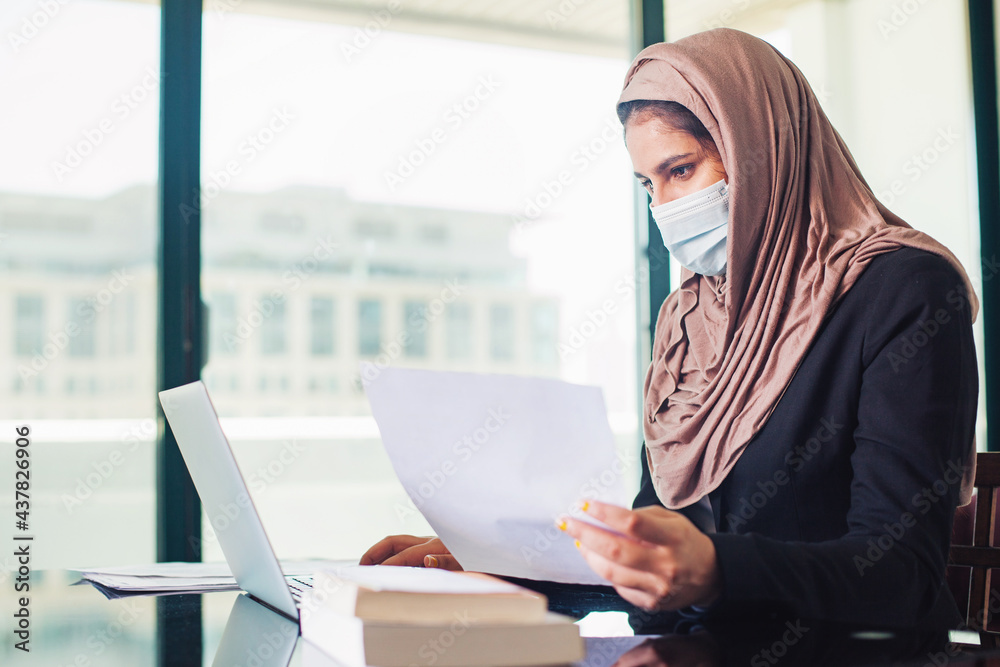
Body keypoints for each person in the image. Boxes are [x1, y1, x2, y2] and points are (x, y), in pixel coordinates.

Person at [360, 28, 979, 630]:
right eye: (648, 184)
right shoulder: (689, 323)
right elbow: (649, 568)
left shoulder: (904, 289)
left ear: (760, 152)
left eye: (681, 171)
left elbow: (902, 575)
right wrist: (501, 570)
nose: (664, 207)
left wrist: (714, 570)